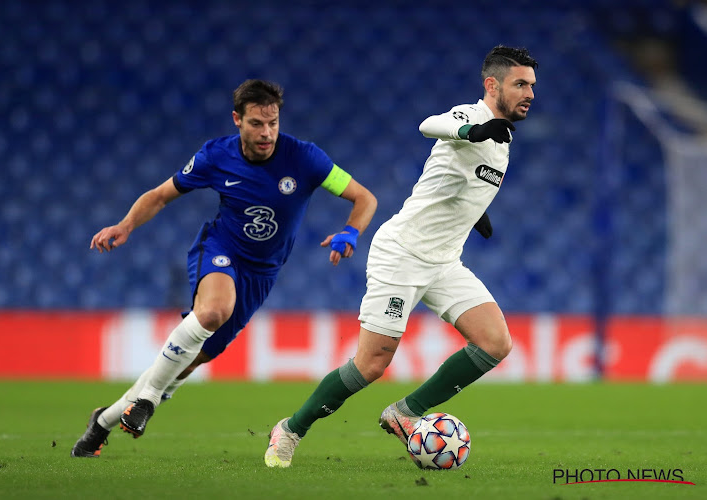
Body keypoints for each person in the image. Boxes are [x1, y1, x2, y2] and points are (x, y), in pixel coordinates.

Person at [71, 79, 377, 457]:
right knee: (214, 311)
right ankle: (148, 398)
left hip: (262, 273)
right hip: (220, 249)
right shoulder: (215, 156)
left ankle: (103, 420)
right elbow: (161, 195)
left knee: (188, 361)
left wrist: (351, 231)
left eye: (273, 123)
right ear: (237, 120)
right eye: (256, 124)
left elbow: (363, 197)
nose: (266, 133)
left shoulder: (305, 158)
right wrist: (125, 224)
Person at [265, 46, 537, 468]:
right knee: (371, 365)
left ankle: (404, 413)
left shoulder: (502, 139)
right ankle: (290, 429)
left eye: (532, 85)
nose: (530, 93)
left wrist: (475, 211)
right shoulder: (472, 117)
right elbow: (431, 125)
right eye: (520, 83)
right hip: (403, 254)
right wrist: (471, 133)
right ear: (492, 85)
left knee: (495, 343)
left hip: (444, 261)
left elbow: (455, 179)